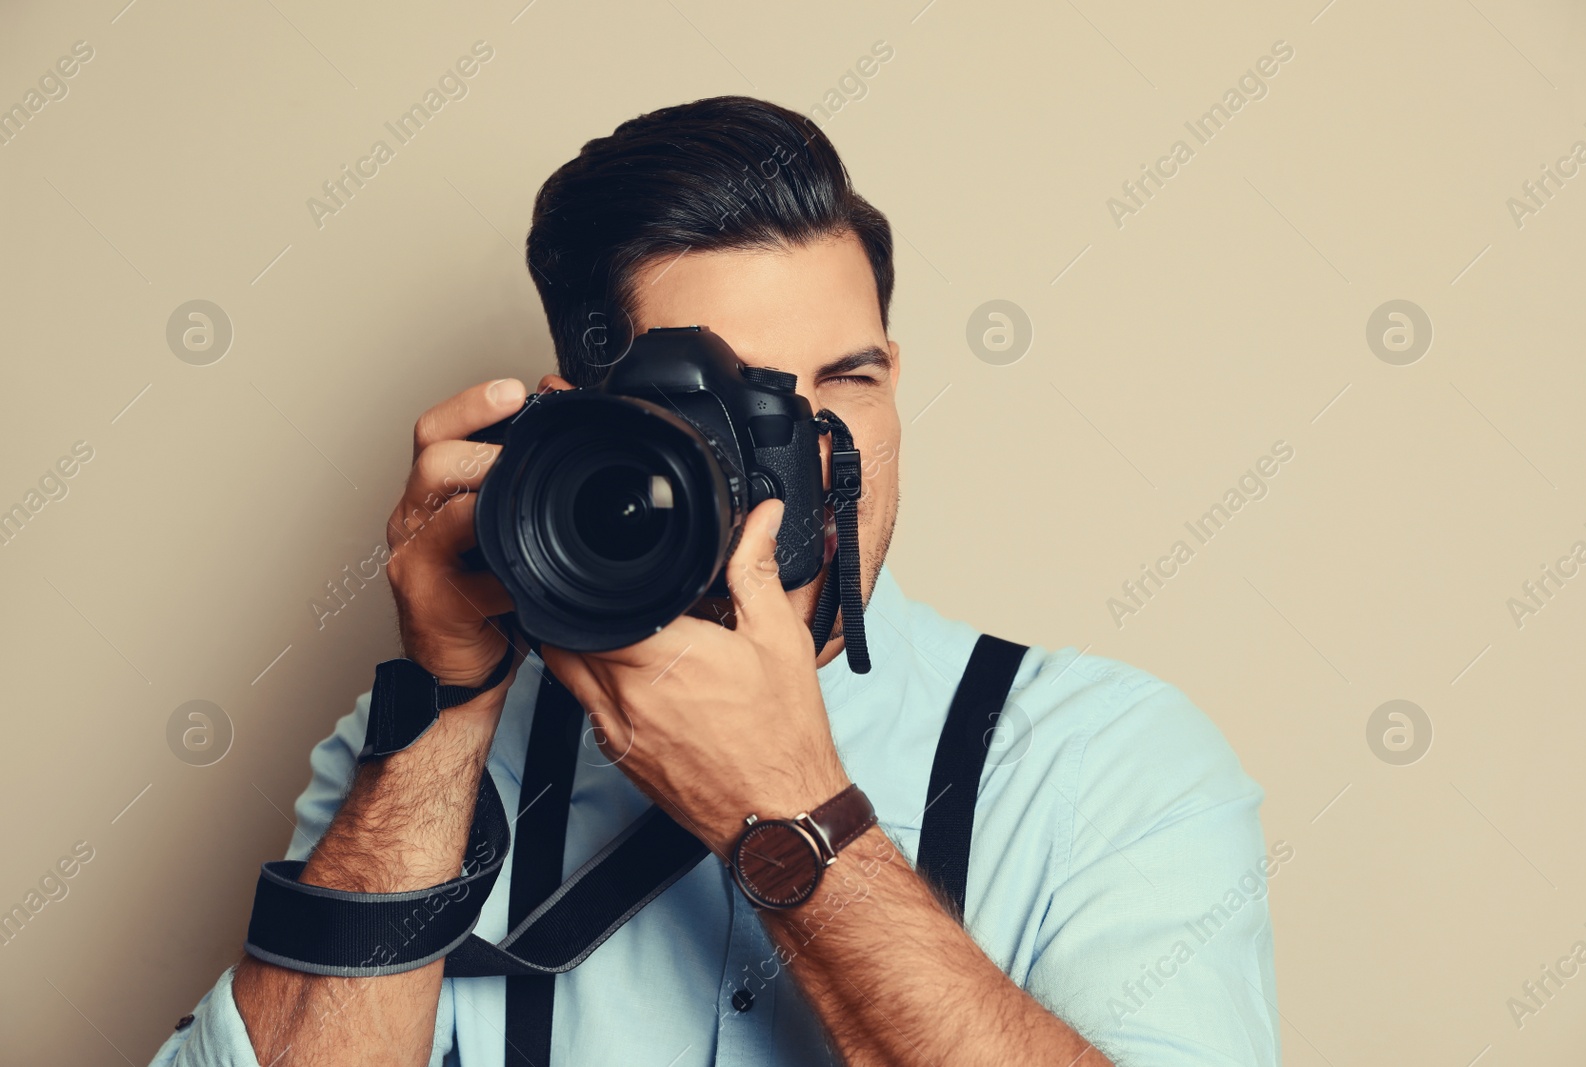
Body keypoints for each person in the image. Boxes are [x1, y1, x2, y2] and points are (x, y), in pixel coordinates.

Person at [150, 95, 1280, 1067]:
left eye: (848, 377)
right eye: (736, 406)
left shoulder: (1102, 757)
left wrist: (792, 810)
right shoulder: (418, 759)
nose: (809, 452)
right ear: (582, 428)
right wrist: (445, 712)